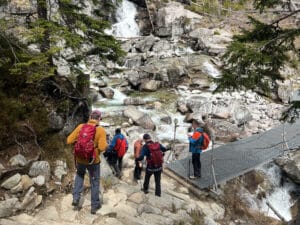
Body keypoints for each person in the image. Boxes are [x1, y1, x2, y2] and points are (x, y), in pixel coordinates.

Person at [67, 110, 107, 214]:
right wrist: (96, 150)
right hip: (93, 161)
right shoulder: (101, 130)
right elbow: (102, 147)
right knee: (94, 182)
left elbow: (69, 140)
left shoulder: (81, 127)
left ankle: (76, 198)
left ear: (90, 117)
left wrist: (79, 146)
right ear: (99, 119)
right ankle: (94, 206)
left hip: (80, 159)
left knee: (80, 175)